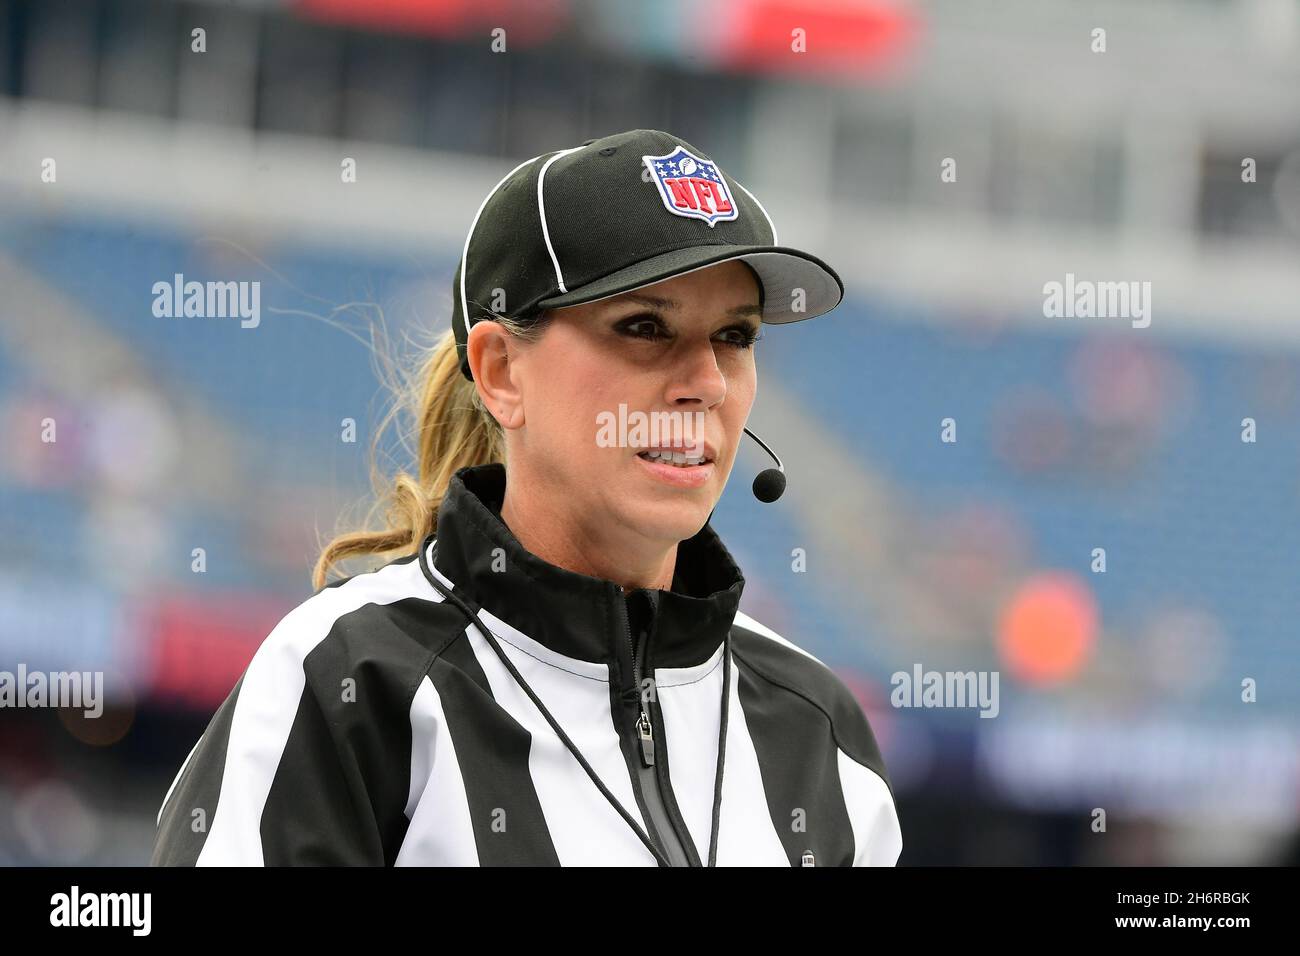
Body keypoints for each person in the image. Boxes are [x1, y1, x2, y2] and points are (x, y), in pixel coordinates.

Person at [152, 128, 902, 866]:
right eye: (645, 327)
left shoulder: (819, 732)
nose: (706, 382)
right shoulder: (344, 684)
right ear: (503, 372)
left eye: (735, 337)